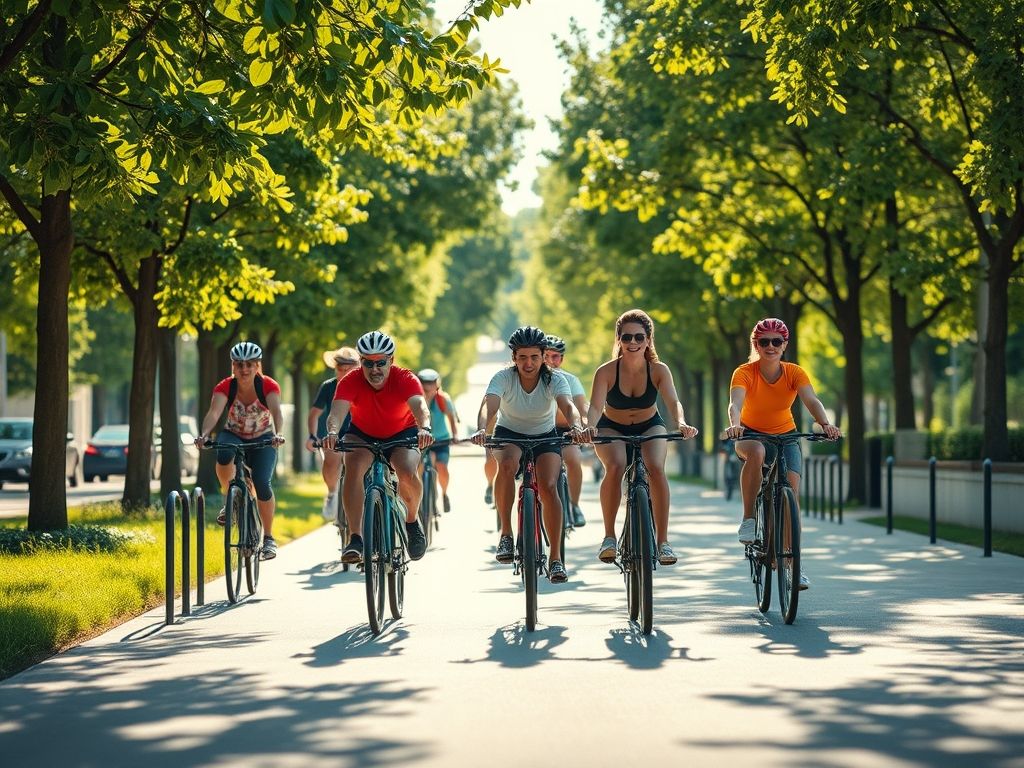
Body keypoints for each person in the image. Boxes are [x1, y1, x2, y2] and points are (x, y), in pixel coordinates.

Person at [723, 317, 842, 590]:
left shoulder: (794, 372)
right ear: (756, 344)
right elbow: (735, 404)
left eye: (777, 341)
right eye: (764, 341)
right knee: (756, 452)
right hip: (750, 434)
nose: (771, 346)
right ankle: (749, 519)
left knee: (791, 496)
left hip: (786, 436)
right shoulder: (744, 372)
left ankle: (792, 565)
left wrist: (825, 424)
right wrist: (735, 425)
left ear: (785, 344)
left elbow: (811, 400)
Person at [471, 326, 586, 584]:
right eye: (522, 357)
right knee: (507, 465)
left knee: (549, 485)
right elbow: (489, 406)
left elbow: (568, 406)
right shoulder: (503, 377)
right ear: (514, 357)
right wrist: (481, 428)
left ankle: (555, 558)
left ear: (544, 356)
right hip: (509, 433)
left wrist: (577, 426)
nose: (528, 363)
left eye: (534, 357)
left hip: (545, 435)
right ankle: (506, 534)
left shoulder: (555, 379)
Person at [586, 309, 698, 567]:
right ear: (618, 340)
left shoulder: (658, 370)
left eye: (639, 337)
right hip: (612, 428)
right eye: (626, 337)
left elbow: (673, 402)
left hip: (649, 426)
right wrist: (589, 427)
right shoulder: (606, 372)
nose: (633, 342)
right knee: (615, 466)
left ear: (648, 340)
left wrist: (681, 423)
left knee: (656, 467)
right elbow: (595, 407)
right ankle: (609, 538)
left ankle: (663, 542)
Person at [323, 331, 433, 564]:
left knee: (406, 471)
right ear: (361, 362)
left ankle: (412, 521)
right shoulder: (350, 380)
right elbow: (336, 412)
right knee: (353, 468)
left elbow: (420, 406)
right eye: (368, 363)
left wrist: (424, 428)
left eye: (381, 363)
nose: (375, 369)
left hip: (402, 433)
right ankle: (355, 538)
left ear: (391, 360)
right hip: (362, 434)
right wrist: (332, 432)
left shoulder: (405, 378)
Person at [195, 341, 286, 560]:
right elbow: (214, 413)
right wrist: (204, 434)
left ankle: (268, 538)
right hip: (233, 434)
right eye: (239, 364)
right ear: (233, 366)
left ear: (257, 366)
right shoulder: (225, 386)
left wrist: (278, 433)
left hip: (264, 437)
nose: (244, 369)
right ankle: (230, 499)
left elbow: (276, 412)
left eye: (249, 364)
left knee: (262, 482)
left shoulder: (268, 386)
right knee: (224, 453)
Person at [306, 346, 359, 521]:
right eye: (340, 369)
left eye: (349, 369)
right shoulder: (328, 386)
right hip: (334, 434)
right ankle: (331, 494)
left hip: (359, 433)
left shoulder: (364, 385)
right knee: (331, 459)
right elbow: (314, 414)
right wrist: (312, 435)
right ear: (335, 369)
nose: (344, 373)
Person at [544, 334, 589, 527]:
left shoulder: (571, 380)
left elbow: (582, 408)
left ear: (561, 359)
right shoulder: (533, 379)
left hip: (566, 431)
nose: (550, 361)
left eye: (555, 356)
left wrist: (586, 425)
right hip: (541, 431)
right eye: (546, 356)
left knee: (574, 459)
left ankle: (574, 505)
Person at [417, 368, 458, 513]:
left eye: (431, 383)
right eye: (424, 383)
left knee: (442, 466)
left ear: (437, 384)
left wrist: (455, 435)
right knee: (419, 467)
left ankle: (444, 494)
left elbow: (452, 418)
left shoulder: (443, 399)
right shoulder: (416, 400)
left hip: (441, 440)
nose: (427, 386)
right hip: (422, 441)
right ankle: (421, 498)